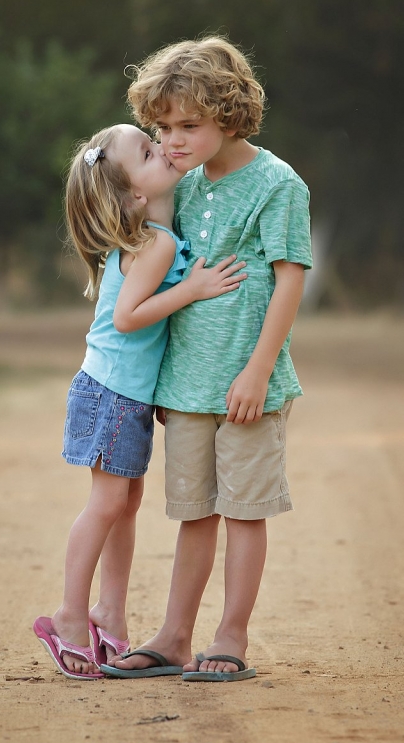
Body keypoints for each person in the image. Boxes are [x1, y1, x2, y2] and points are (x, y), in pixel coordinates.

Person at [102, 36, 312, 683]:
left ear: (229, 114)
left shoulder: (277, 183)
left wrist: (256, 370)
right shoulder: (180, 185)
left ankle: (231, 635)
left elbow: (289, 278)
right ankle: (173, 637)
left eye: (188, 126)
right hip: (187, 382)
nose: (172, 140)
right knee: (194, 512)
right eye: (162, 127)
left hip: (248, 380)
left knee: (245, 510)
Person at [33, 122, 247, 679]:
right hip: (110, 394)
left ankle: (109, 608)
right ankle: (69, 615)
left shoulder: (153, 235)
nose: (165, 148)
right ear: (136, 194)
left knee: (126, 503)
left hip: (121, 395)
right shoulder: (159, 244)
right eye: (151, 151)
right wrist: (192, 290)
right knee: (107, 504)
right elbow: (128, 320)